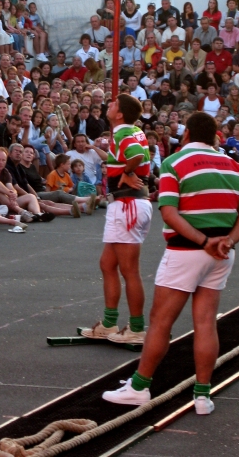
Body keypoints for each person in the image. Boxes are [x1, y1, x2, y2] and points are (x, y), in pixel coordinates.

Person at [102, 112, 239, 412]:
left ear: (187, 134)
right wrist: (227, 241)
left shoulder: (174, 163)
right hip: (223, 252)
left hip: (187, 251)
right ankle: (203, 395)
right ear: (215, 136)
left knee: (161, 321)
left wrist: (204, 242)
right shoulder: (235, 167)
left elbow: (169, 213)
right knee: (206, 321)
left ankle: (140, 386)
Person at [81, 94, 152, 344]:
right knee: (108, 264)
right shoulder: (134, 130)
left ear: (120, 113)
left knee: (129, 270)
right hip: (129, 203)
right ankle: (109, 324)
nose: (108, 107)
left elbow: (138, 157)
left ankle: (137, 328)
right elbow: (146, 157)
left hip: (127, 203)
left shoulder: (122, 132)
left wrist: (127, 173)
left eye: (113, 105)